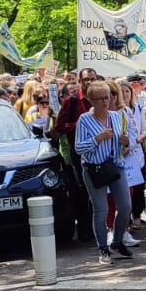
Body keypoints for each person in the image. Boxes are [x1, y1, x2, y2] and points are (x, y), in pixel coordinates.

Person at [74, 81, 133, 264]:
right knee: (101, 210)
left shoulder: (116, 116)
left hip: (115, 166)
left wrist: (125, 142)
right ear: (91, 100)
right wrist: (97, 138)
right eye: (99, 99)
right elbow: (78, 148)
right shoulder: (84, 119)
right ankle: (103, 248)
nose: (104, 102)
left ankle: (116, 241)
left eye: (107, 97)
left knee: (125, 206)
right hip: (94, 169)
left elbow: (125, 141)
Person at [52, 68, 103, 242]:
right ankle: (84, 230)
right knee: (82, 190)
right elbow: (59, 127)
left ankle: (101, 229)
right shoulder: (72, 101)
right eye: (86, 79)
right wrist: (81, 125)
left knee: (100, 189)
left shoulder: (101, 99)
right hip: (79, 151)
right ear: (80, 82)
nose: (89, 82)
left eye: (92, 79)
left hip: (100, 150)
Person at [117, 82, 146, 245]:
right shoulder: (117, 111)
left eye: (127, 91)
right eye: (121, 92)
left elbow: (142, 129)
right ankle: (124, 224)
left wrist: (139, 138)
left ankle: (136, 215)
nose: (125, 94)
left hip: (136, 154)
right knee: (124, 192)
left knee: (137, 189)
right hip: (122, 157)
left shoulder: (138, 109)